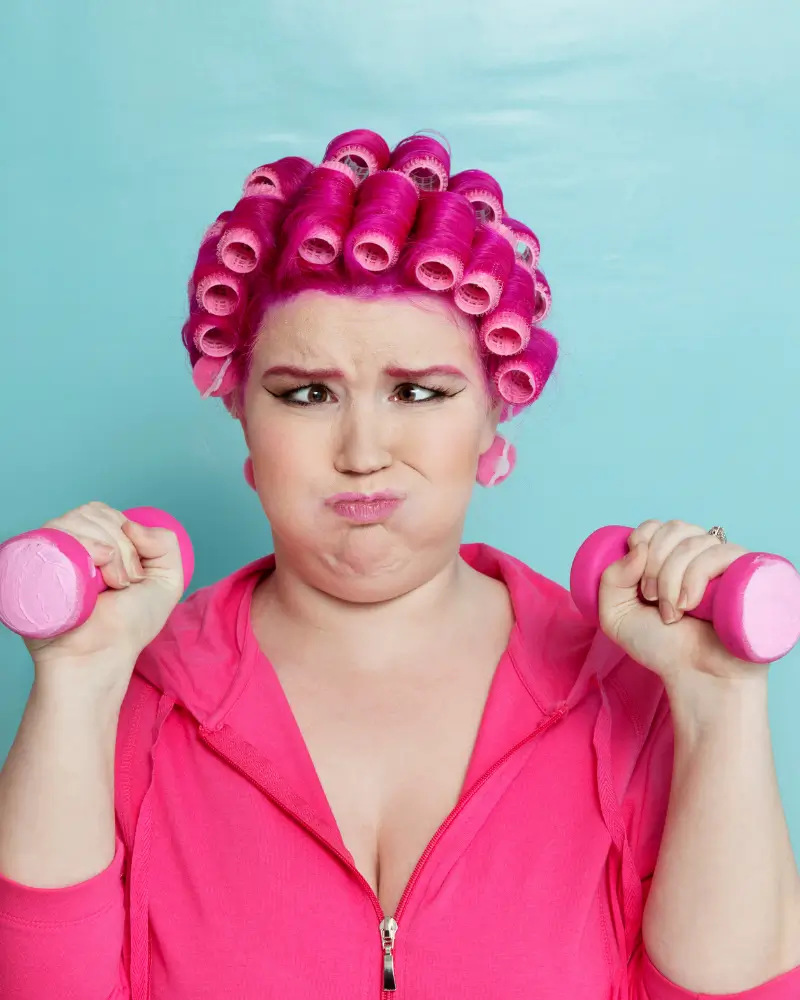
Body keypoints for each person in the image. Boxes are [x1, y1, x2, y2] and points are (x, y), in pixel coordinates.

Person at [0, 129, 798, 999]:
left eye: (419, 391)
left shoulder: (627, 696)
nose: (363, 450)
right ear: (239, 410)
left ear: (496, 412)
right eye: (307, 394)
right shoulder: (134, 699)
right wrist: (75, 684)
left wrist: (721, 705)